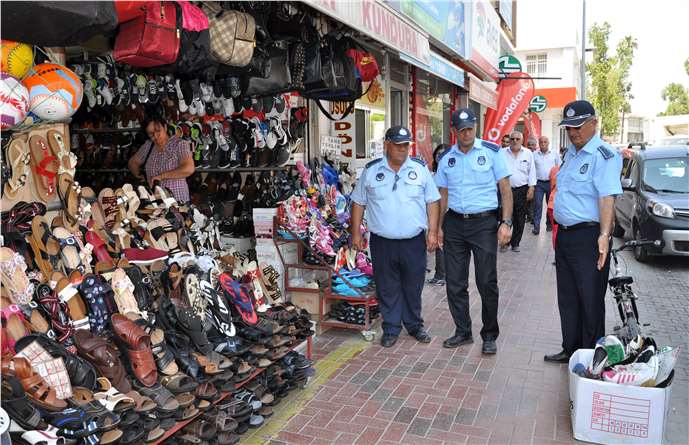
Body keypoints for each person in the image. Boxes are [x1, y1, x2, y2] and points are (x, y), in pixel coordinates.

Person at [544, 100, 623, 364]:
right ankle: (571, 349)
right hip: (565, 236)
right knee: (567, 297)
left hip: (589, 238)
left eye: (578, 127)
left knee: (590, 299)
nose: (573, 132)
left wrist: (604, 235)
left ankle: (591, 356)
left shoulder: (604, 155)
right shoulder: (570, 154)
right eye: (568, 128)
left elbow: (606, 198)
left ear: (594, 123)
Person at [351, 126, 440, 348]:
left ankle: (414, 325)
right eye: (398, 145)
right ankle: (391, 327)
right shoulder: (371, 171)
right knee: (387, 285)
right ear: (386, 145)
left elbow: (432, 201)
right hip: (383, 242)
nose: (403, 150)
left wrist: (433, 231)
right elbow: (358, 202)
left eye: (406, 146)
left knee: (414, 284)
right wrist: (355, 233)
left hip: (413, 240)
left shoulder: (420, 169)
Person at [435, 108, 513, 355]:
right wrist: (437, 228)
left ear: (475, 127)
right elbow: (442, 195)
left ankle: (489, 335)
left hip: (483, 225)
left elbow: (505, 189)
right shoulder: (447, 157)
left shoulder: (491, 152)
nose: (466, 133)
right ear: (454, 131)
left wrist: (506, 222)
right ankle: (463, 331)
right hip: (455, 224)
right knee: (455, 283)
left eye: (470, 128)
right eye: (462, 130)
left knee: (486, 281)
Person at [128, 114, 195, 203]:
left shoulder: (179, 144)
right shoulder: (148, 146)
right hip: (154, 204)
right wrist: (141, 178)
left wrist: (161, 176)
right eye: (151, 134)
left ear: (165, 127)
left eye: (158, 130)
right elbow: (132, 162)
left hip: (177, 201)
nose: (155, 136)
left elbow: (189, 169)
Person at [502, 131, 535, 252]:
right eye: (512, 139)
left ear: (522, 141)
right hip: (505, 190)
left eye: (517, 139)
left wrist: (531, 188)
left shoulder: (528, 153)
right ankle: (504, 242)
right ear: (509, 140)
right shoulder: (502, 153)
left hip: (522, 189)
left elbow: (532, 171)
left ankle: (515, 243)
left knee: (520, 218)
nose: (515, 141)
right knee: (505, 217)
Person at [427, 144, 449, 286]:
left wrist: (439, 223)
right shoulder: (432, 174)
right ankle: (440, 273)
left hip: (445, 214)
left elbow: (443, 198)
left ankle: (441, 275)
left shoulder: (449, 173)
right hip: (432, 214)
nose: (440, 156)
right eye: (438, 154)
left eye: (443, 153)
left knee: (440, 245)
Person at [532, 136, 561, 234]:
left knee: (550, 205)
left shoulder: (554, 154)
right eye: (541, 142)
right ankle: (536, 228)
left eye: (545, 142)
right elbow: (531, 170)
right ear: (538, 144)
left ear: (548, 143)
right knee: (537, 205)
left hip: (551, 184)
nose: (543, 144)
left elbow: (559, 167)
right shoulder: (534, 155)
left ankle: (549, 225)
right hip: (539, 184)